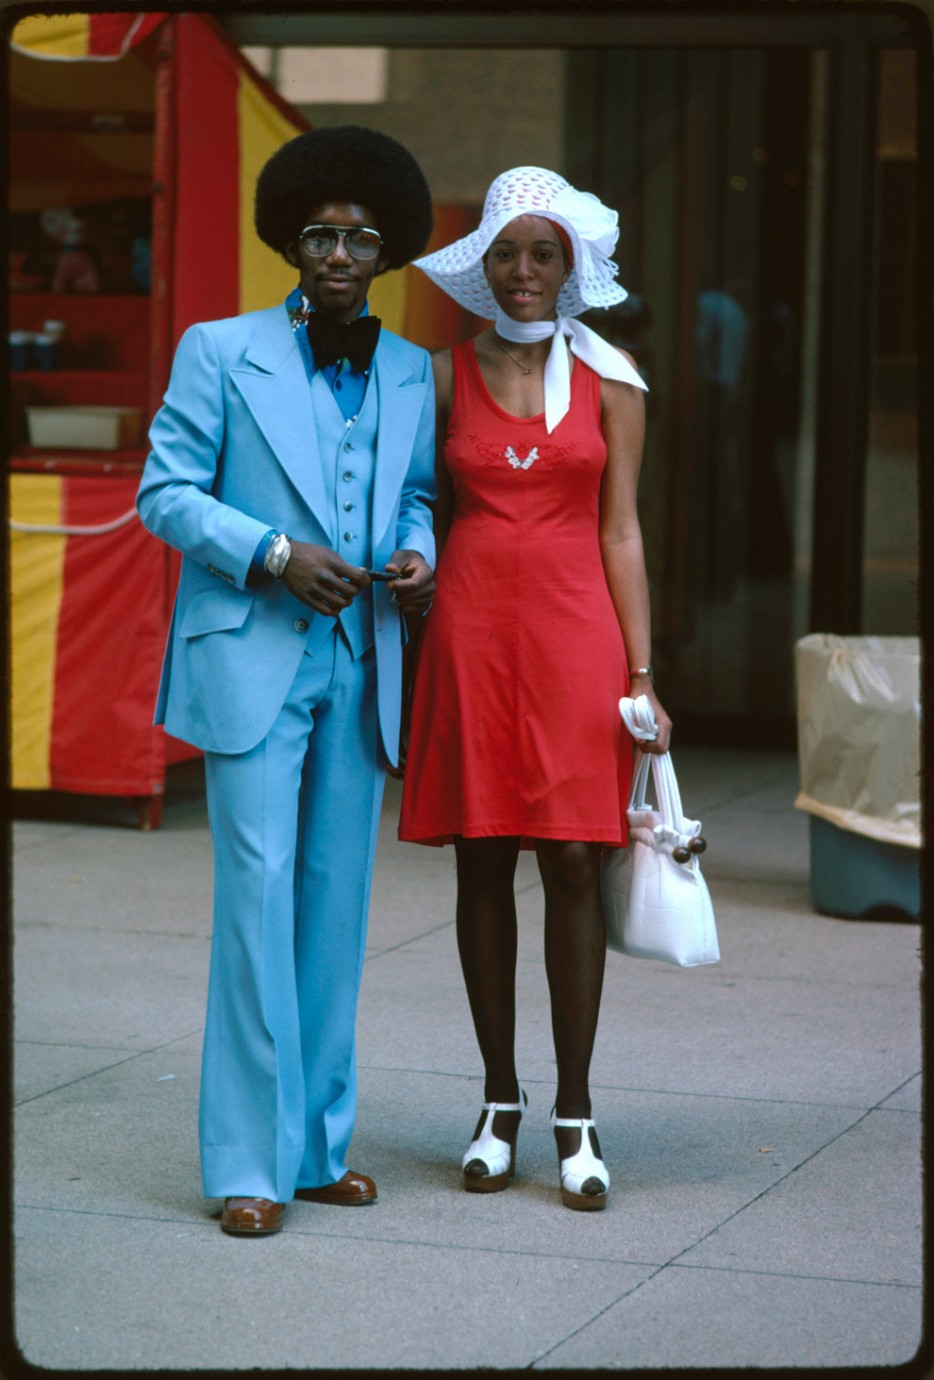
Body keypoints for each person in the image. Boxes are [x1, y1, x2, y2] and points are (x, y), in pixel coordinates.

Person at [137, 126, 436, 1236]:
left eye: (361, 237)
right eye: (320, 233)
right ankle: (245, 1168)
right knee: (256, 904)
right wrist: (271, 551)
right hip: (249, 657)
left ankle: (314, 1148)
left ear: (389, 250)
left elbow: (413, 495)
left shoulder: (409, 370)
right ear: (291, 241)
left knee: (333, 912)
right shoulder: (220, 350)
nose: (340, 252)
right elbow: (164, 494)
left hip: (360, 664)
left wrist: (419, 555)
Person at [398, 166, 672, 1212]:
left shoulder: (613, 379)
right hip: (470, 634)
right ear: (483, 264)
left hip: (576, 640)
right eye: (507, 253)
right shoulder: (433, 376)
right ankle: (497, 1102)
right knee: (482, 859)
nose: (523, 272)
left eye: (542, 254)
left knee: (571, 859)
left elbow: (622, 530)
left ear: (571, 268)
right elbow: (417, 503)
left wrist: (642, 676)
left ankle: (577, 1112)